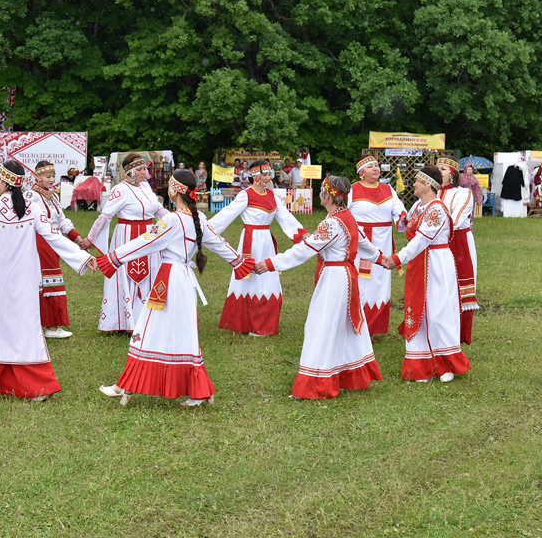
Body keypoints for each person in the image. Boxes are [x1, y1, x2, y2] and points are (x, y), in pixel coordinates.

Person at [0, 160, 98, 400]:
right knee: (21, 331)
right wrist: (82, 257)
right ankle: (34, 386)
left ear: (1, 182)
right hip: (21, 283)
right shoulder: (32, 210)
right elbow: (56, 237)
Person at [97, 170, 254, 407]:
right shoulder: (198, 218)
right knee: (186, 334)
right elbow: (220, 244)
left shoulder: (172, 220)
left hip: (167, 279)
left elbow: (144, 242)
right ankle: (197, 391)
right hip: (185, 281)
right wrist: (240, 263)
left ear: (173, 190)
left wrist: (113, 258)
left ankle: (126, 385)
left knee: (146, 327)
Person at [253, 176, 385, 398]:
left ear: (329, 196)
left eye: (323, 191)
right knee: (343, 326)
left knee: (321, 326)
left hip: (334, 279)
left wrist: (269, 264)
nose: (319, 194)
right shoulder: (347, 217)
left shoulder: (331, 223)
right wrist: (383, 259)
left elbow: (303, 251)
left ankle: (317, 381)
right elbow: (364, 244)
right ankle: (347, 374)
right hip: (346, 278)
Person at [384, 167, 471, 382]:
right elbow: (408, 229)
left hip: (436, 264)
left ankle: (446, 364)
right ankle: (423, 365)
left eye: (416, 181)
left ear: (428, 185)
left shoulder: (437, 209)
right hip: (420, 263)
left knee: (438, 311)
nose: (413, 184)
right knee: (421, 312)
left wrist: (396, 259)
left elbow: (422, 239)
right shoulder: (418, 207)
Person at [208, 159, 307, 336]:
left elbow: (286, 217)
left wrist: (302, 235)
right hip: (249, 243)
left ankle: (262, 324)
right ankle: (244, 323)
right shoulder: (245, 195)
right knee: (247, 279)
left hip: (266, 242)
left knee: (266, 279)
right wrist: (207, 231)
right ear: (255, 176)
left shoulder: (272, 196)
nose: (269, 177)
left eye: (270, 174)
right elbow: (227, 214)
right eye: (265, 174)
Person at [88, 153, 168, 333]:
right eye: (140, 170)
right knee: (126, 277)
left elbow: (160, 211)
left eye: (145, 169)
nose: (144, 173)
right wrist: (90, 239)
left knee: (150, 275)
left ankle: (146, 319)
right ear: (130, 171)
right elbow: (105, 216)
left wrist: (179, 222)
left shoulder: (146, 187)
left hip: (149, 236)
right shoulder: (120, 189)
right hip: (126, 237)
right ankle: (124, 322)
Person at [346, 154, 407, 339]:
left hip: (383, 244)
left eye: (377, 165)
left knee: (380, 283)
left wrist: (403, 217)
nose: (375, 168)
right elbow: (339, 212)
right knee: (361, 283)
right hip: (362, 245)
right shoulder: (352, 190)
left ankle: (372, 328)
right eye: (370, 166)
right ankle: (357, 326)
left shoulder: (388, 189)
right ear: (361, 172)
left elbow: (398, 209)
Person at [31, 160, 92, 339]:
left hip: (53, 241)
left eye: (53, 176)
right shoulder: (32, 196)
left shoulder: (53, 196)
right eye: (48, 176)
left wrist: (78, 239)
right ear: (38, 177)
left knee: (50, 282)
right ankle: (49, 327)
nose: (51, 180)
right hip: (40, 242)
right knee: (46, 282)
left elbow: (62, 221)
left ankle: (50, 325)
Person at [437, 157, 478, 345]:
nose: (438, 171)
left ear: (452, 173)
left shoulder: (462, 193)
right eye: (436, 168)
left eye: (442, 168)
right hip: (436, 244)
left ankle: (457, 333)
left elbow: (457, 219)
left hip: (458, 244)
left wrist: (432, 230)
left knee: (458, 287)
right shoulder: (431, 194)